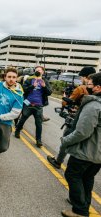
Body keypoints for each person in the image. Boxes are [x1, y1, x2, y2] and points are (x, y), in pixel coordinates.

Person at [60, 72, 101, 217]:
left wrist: (66, 140)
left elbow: (82, 132)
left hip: (86, 151)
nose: (86, 86)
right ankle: (83, 205)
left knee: (72, 175)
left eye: (88, 84)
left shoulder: (94, 105)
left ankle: (79, 210)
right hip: (97, 154)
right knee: (87, 178)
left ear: (97, 88)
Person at [47, 67, 96, 169]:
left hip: (76, 118)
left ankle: (58, 161)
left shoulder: (81, 88)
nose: (81, 79)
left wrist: (65, 96)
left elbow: (66, 102)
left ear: (85, 77)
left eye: (81, 77)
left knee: (66, 140)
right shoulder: (96, 91)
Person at [0, 67, 24, 180]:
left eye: (14, 77)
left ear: (16, 78)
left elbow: (15, 114)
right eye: (9, 77)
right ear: (5, 77)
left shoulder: (19, 94)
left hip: (6, 124)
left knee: (3, 147)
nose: (11, 79)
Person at [14, 66, 52, 147]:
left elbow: (49, 92)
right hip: (28, 103)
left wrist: (44, 86)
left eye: (39, 70)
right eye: (36, 70)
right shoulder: (29, 79)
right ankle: (17, 131)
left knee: (39, 124)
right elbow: (23, 89)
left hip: (39, 105)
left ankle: (38, 140)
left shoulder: (45, 81)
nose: (38, 71)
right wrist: (32, 86)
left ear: (43, 72)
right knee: (23, 118)